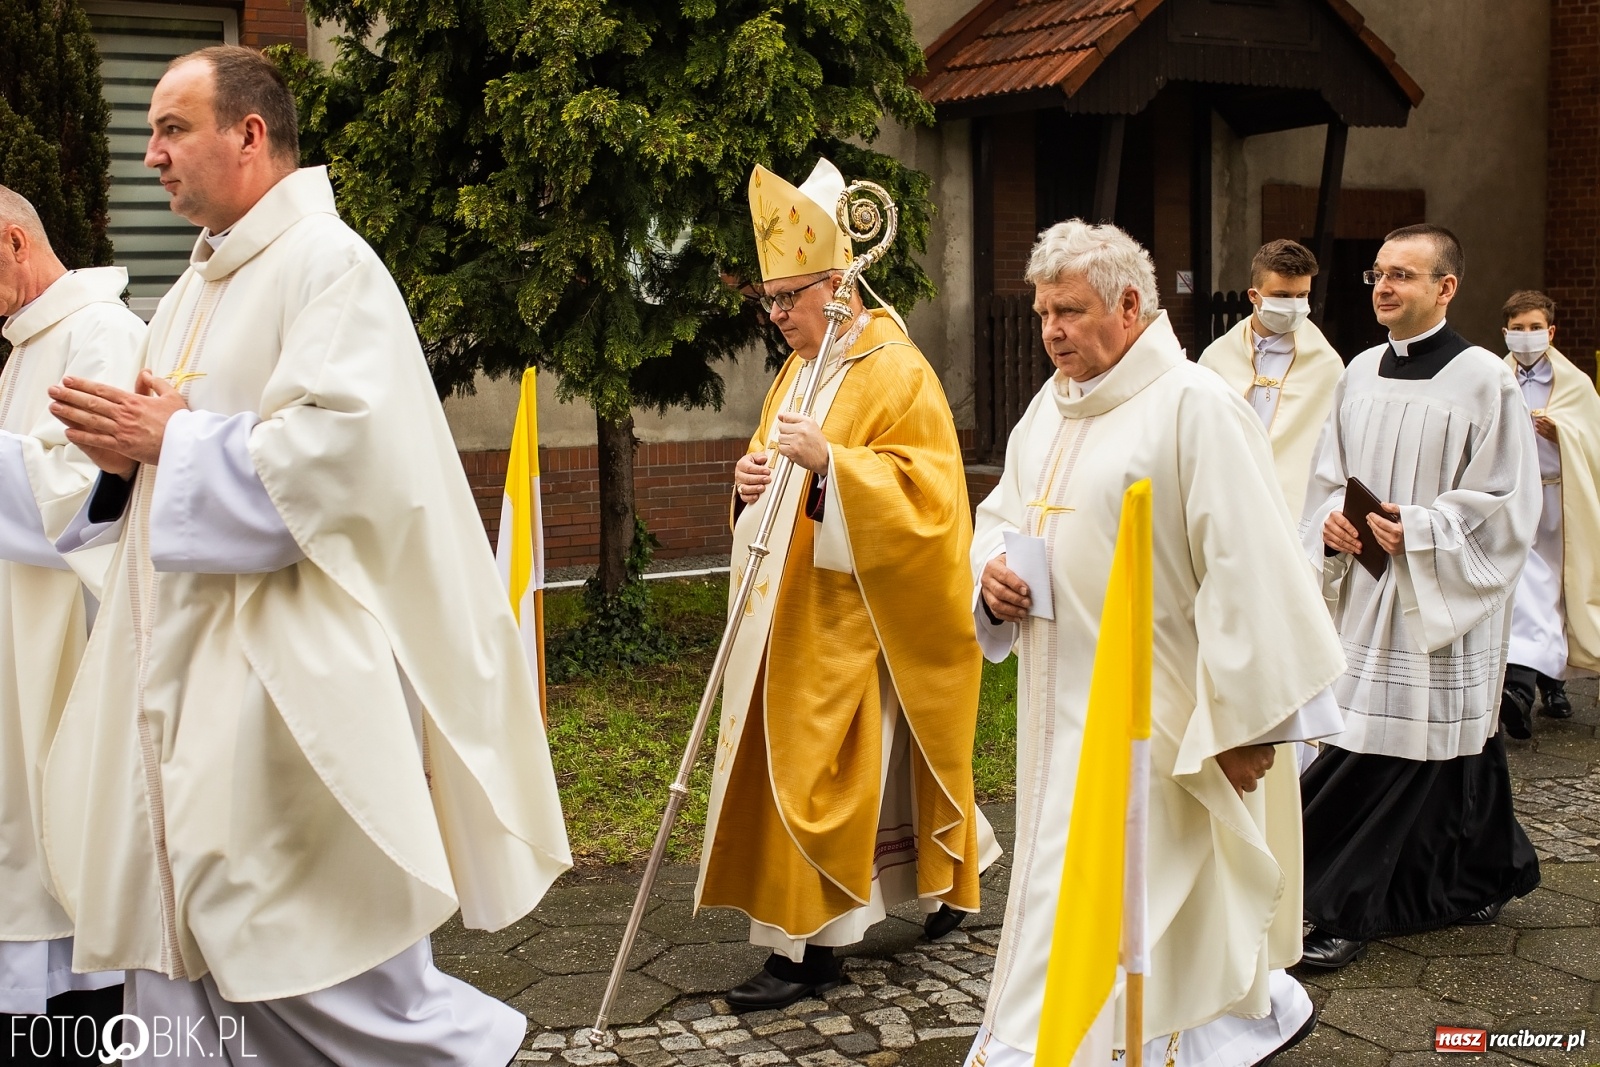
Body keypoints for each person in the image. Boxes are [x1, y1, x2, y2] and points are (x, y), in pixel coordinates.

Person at [42, 46, 570, 1065]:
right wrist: (124, 463)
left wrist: (176, 442)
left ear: (249, 134)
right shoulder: (191, 289)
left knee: (320, 971)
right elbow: (161, 452)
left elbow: (341, 459)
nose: (150, 156)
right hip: (177, 679)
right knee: (184, 972)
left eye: (171, 128)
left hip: (279, 686)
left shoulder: (330, 267)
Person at [968, 219, 1345, 1067]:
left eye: (1069, 310)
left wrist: (1250, 725)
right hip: (1056, 710)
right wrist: (990, 575)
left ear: (1130, 305)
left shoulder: (1194, 406)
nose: (1051, 331)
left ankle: (1140, 1043)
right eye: (1042, 313)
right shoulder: (1049, 408)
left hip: (1159, 716)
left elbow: (1250, 569)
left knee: (1149, 892)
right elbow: (999, 518)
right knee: (1068, 883)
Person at [696, 157, 999, 1012]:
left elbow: (933, 496)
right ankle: (948, 879)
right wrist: (746, 484)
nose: (777, 316)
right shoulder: (799, 367)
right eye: (769, 301)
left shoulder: (897, 369)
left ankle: (809, 951)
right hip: (786, 605)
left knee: (822, 776)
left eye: (787, 299)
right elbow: (770, 459)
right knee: (881, 773)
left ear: (838, 285)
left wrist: (836, 466)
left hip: (858, 616)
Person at [1299, 225, 1542, 970]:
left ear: (1446, 288)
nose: (1384, 286)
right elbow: (1327, 476)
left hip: (1444, 596)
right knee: (1440, 742)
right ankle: (1486, 869)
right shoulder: (1358, 372)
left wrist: (1428, 530)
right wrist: (1331, 524)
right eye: (1379, 273)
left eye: (1403, 275)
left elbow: (1509, 501)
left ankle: (1342, 901)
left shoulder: (1485, 380)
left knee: (1398, 745)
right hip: (1371, 588)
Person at [0, 186, 142, 1057]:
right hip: (20, 648)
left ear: (14, 241)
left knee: (68, 858)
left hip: (75, 646)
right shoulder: (23, 351)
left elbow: (94, 494)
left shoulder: (104, 335)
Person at [1498, 290, 1600, 736]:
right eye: (1518, 328)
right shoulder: (1494, 377)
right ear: (1505, 332)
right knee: (1527, 589)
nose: (1526, 335)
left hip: (1561, 500)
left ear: (1551, 331)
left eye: (1535, 327)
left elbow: (1593, 438)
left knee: (1558, 590)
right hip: (1515, 500)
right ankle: (1519, 690)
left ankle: (1551, 686)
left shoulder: (1574, 383)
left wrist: (1563, 435)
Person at [1197, 239, 1344, 518]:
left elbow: (1335, 449)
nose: (1294, 305)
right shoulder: (1217, 358)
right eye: (1282, 295)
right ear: (1254, 296)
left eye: (1302, 296)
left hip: (1293, 503)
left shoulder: (1326, 364)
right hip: (1228, 496)